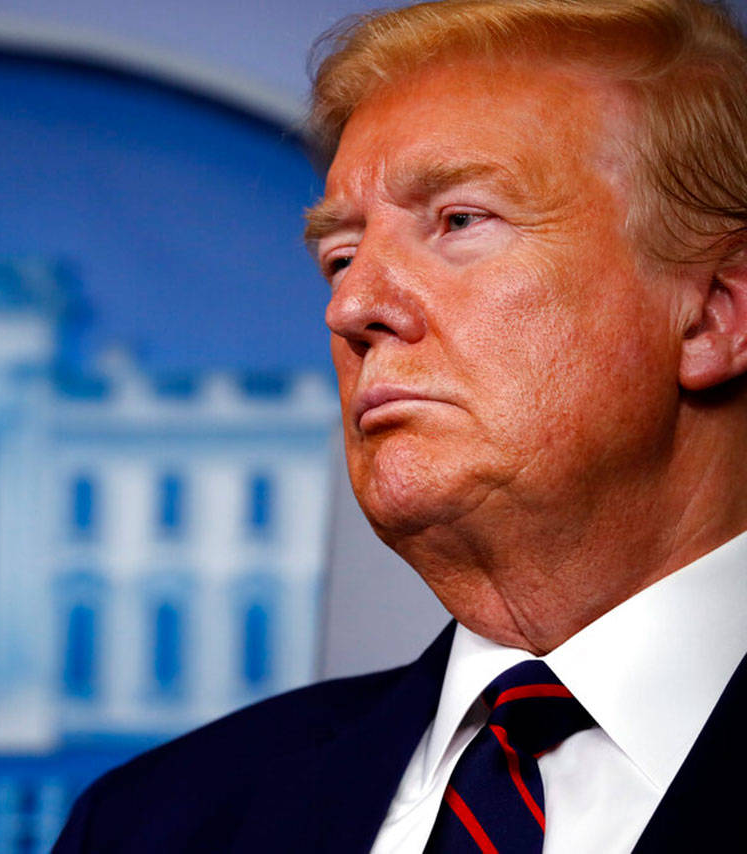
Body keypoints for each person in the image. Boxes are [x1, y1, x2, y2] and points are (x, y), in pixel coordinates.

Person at [51, 0, 747, 850]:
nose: (351, 307)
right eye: (339, 257)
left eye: (459, 220)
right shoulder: (153, 822)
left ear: (713, 317)